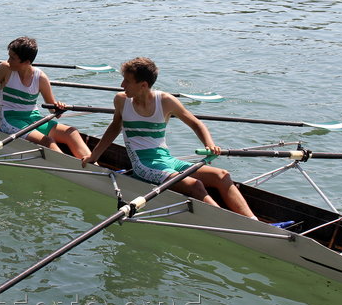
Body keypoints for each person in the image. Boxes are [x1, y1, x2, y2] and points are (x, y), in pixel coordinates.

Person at [82, 57, 256, 218]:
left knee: (222, 175)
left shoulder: (165, 101)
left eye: (127, 81)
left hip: (167, 159)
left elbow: (196, 124)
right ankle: (226, 221)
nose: (122, 85)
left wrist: (209, 144)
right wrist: (93, 157)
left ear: (143, 85)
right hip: (143, 164)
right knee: (195, 186)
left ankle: (252, 221)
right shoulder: (121, 100)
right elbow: (114, 128)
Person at [0, 36, 91, 159]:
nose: (8, 60)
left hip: (33, 118)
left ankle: (92, 163)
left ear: (26, 62)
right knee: (48, 142)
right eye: (9, 56)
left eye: (12, 58)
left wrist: (59, 107)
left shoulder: (40, 78)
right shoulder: (5, 69)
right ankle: (73, 170)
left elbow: (54, 112)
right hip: (10, 119)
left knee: (71, 132)